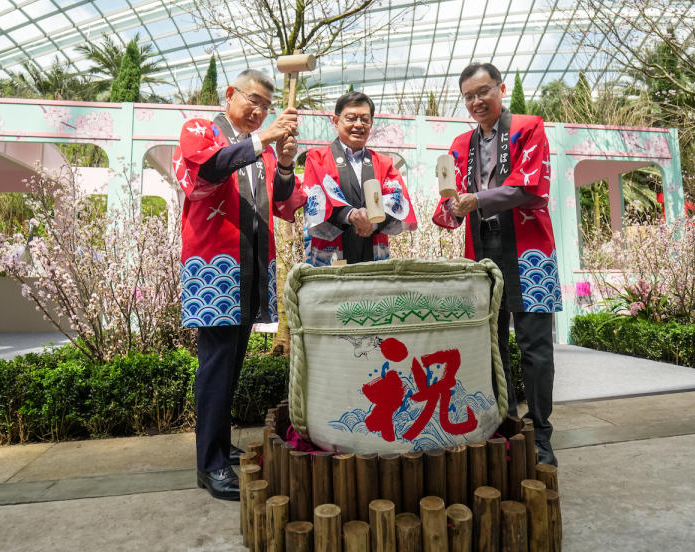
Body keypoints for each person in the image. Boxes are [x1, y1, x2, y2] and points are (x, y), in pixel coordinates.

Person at [173, 69, 306, 500]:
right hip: (214, 265)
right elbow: (208, 169)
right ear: (229, 94)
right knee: (215, 362)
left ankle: (217, 445)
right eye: (253, 100)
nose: (259, 110)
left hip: (251, 264)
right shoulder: (202, 130)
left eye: (267, 106)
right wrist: (266, 139)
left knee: (232, 361)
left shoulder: (263, 151)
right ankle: (208, 464)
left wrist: (284, 163)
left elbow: (286, 205)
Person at [431, 62, 562, 466]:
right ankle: (503, 425)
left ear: (501, 89)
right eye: (468, 96)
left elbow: (530, 185)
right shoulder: (458, 144)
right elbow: (449, 199)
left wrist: (477, 200)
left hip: (530, 249)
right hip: (481, 249)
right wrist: (449, 209)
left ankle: (540, 434)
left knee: (535, 346)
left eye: (483, 92)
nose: (476, 102)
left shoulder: (529, 126)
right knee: (492, 343)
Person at [301, 91, 417, 265]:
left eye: (365, 119)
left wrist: (373, 221)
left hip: (374, 248)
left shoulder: (384, 163)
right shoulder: (317, 157)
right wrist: (350, 215)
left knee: (372, 290)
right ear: (335, 121)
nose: (358, 124)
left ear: (371, 123)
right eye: (351, 118)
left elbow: (397, 198)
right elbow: (317, 196)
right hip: (331, 252)